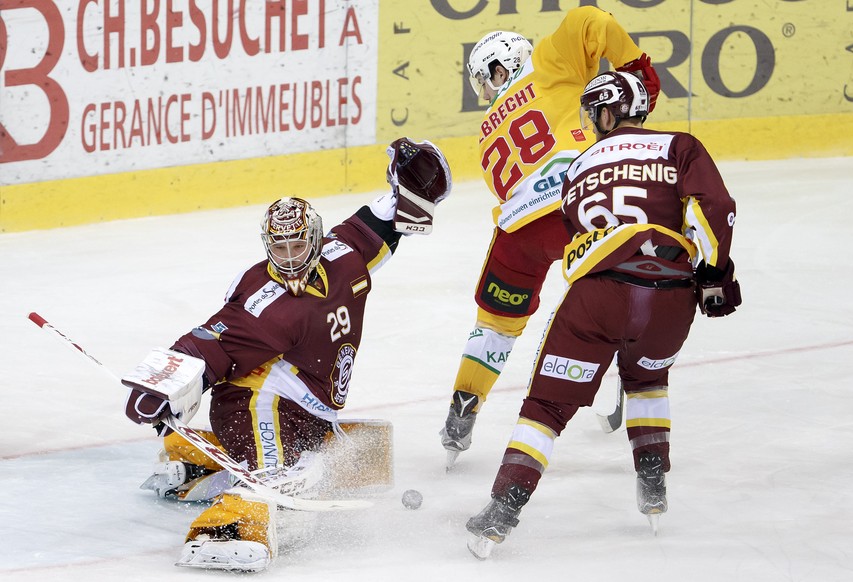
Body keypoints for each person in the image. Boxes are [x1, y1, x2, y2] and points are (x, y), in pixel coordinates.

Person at [122, 137, 452, 572]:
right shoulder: (264, 306)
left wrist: (409, 189)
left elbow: (382, 221)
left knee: (316, 460)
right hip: (252, 406)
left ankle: (194, 456)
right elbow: (209, 343)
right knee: (283, 484)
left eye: (299, 246)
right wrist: (162, 386)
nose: (291, 258)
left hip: (306, 404)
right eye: (280, 249)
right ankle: (226, 530)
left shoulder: (346, 257)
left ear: (316, 239)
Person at [465, 71, 741, 559]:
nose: (592, 123)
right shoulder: (680, 145)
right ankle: (653, 484)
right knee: (647, 381)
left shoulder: (581, 164)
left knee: (547, 408)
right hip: (669, 303)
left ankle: (501, 513)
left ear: (607, 111)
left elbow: (576, 229)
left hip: (596, 301)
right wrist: (715, 274)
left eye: (594, 113)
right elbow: (712, 208)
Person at [440, 6, 662, 469]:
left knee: (495, 325)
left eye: (485, 78)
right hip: (577, 204)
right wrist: (635, 70)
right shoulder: (546, 62)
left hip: (518, 233)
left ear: (501, 66)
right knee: (625, 284)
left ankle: (464, 407)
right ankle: (628, 365)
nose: (486, 90)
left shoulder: (485, 134)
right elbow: (590, 20)